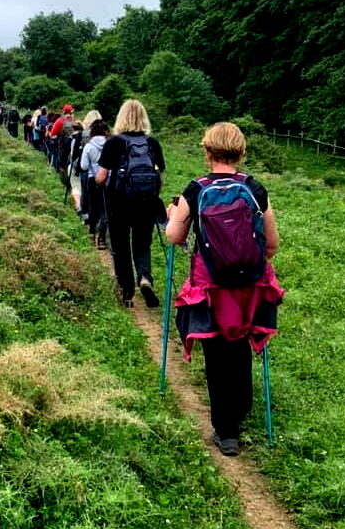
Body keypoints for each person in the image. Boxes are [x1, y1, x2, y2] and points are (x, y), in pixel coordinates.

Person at [165, 122, 283, 457]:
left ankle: (226, 431)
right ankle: (240, 411)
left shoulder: (196, 189)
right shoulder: (254, 189)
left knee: (216, 353)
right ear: (241, 152)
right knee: (241, 344)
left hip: (210, 286)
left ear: (207, 151)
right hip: (249, 284)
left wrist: (175, 213)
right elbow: (272, 244)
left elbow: (174, 237)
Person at [96, 99, 164, 309]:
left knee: (120, 245)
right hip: (146, 203)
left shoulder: (113, 143)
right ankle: (144, 277)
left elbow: (100, 177)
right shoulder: (152, 143)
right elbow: (159, 174)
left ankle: (126, 290)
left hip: (118, 204)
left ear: (121, 118)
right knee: (142, 243)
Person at [81, 118, 110, 249]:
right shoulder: (111, 145)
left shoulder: (88, 146)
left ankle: (92, 233)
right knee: (105, 210)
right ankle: (102, 239)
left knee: (93, 208)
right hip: (108, 181)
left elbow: (84, 166)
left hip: (93, 180)